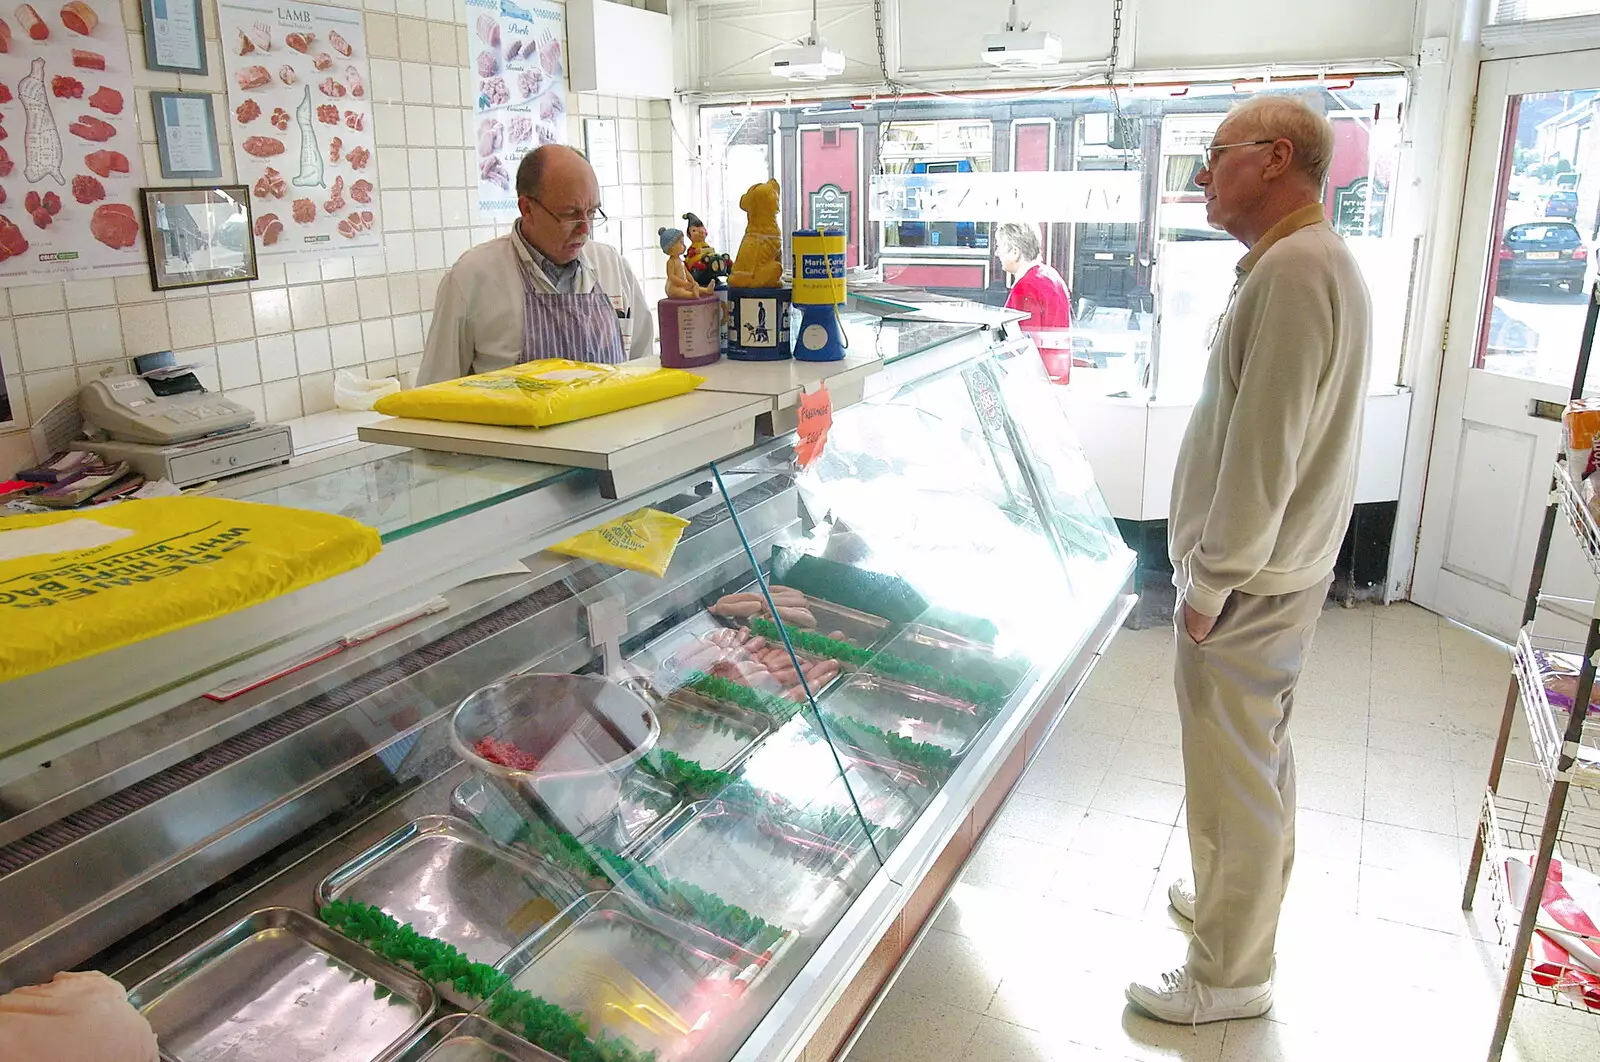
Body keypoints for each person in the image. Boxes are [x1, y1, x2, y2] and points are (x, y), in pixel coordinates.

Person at [1125, 95, 1371, 1025]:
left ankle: (1229, 972)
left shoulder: (1296, 270)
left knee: (1234, 771)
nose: (1201, 176)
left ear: (1274, 159)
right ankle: (1236, 899)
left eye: (1213, 155)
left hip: (1250, 581)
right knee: (1254, 757)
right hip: (1278, 568)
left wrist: (1209, 580)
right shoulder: (1299, 260)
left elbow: (1265, 448)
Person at [419, 145, 654, 384]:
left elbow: (641, 367)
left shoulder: (611, 265)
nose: (585, 229)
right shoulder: (472, 278)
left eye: (592, 213)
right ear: (527, 209)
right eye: (570, 214)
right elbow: (433, 391)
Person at [996, 221, 1072, 334]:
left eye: (999, 247)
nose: (997, 253)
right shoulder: (1051, 274)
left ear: (1015, 252)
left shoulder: (1024, 288)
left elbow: (1023, 343)